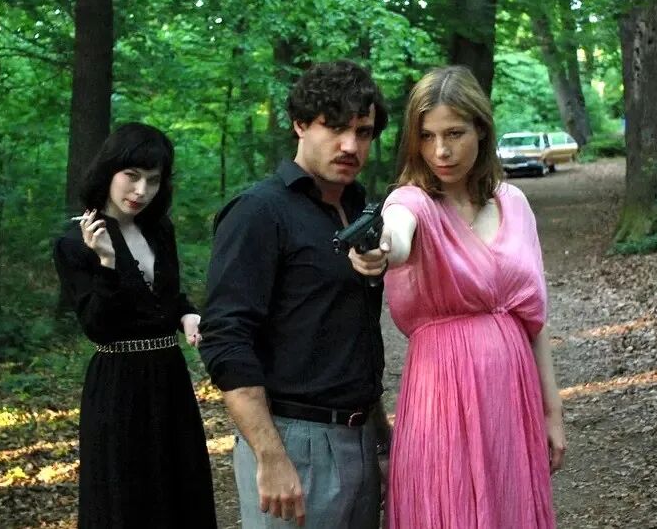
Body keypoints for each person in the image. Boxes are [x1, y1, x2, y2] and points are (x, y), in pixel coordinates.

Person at [350, 66, 565, 529]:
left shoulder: (514, 204)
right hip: (442, 393)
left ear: (481, 130)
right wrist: (379, 248)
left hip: (512, 392)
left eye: (454, 134)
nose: (440, 151)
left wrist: (552, 413)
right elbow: (396, 236)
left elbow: (535, 320)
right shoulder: (411, 201)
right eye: (426, 137)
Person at [199, 60, 391, 529]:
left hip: (360, 437)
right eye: (335, 127)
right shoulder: (258, 212)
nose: (351, 145)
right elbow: (226, 340)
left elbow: (352, 336)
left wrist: (380, 434)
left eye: (363, 132)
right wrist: (271, 456)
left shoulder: (358, 209)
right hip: (291, 440)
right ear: (300, 124)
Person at [53, 123, 217, 529]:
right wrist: (107, 263)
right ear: (109, 171)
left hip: (169, 379)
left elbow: (166, 298)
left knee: (181, 490)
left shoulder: (159, 229)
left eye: (153, 180)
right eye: (132, 175)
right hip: (118, 385)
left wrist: (187, 315)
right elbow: (97, 326)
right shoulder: (74, 242)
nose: (141, 190)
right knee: (126, 500)